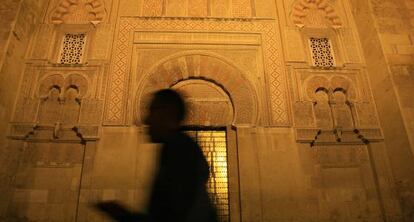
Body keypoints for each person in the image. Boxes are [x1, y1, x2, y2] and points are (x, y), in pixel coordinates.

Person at [95, 89, 218, 222]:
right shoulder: (176, 148)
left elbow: (171, 216)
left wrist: (124, 216)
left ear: (167, 113)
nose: (146, 120)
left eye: (152, 111)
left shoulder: (179, 150)